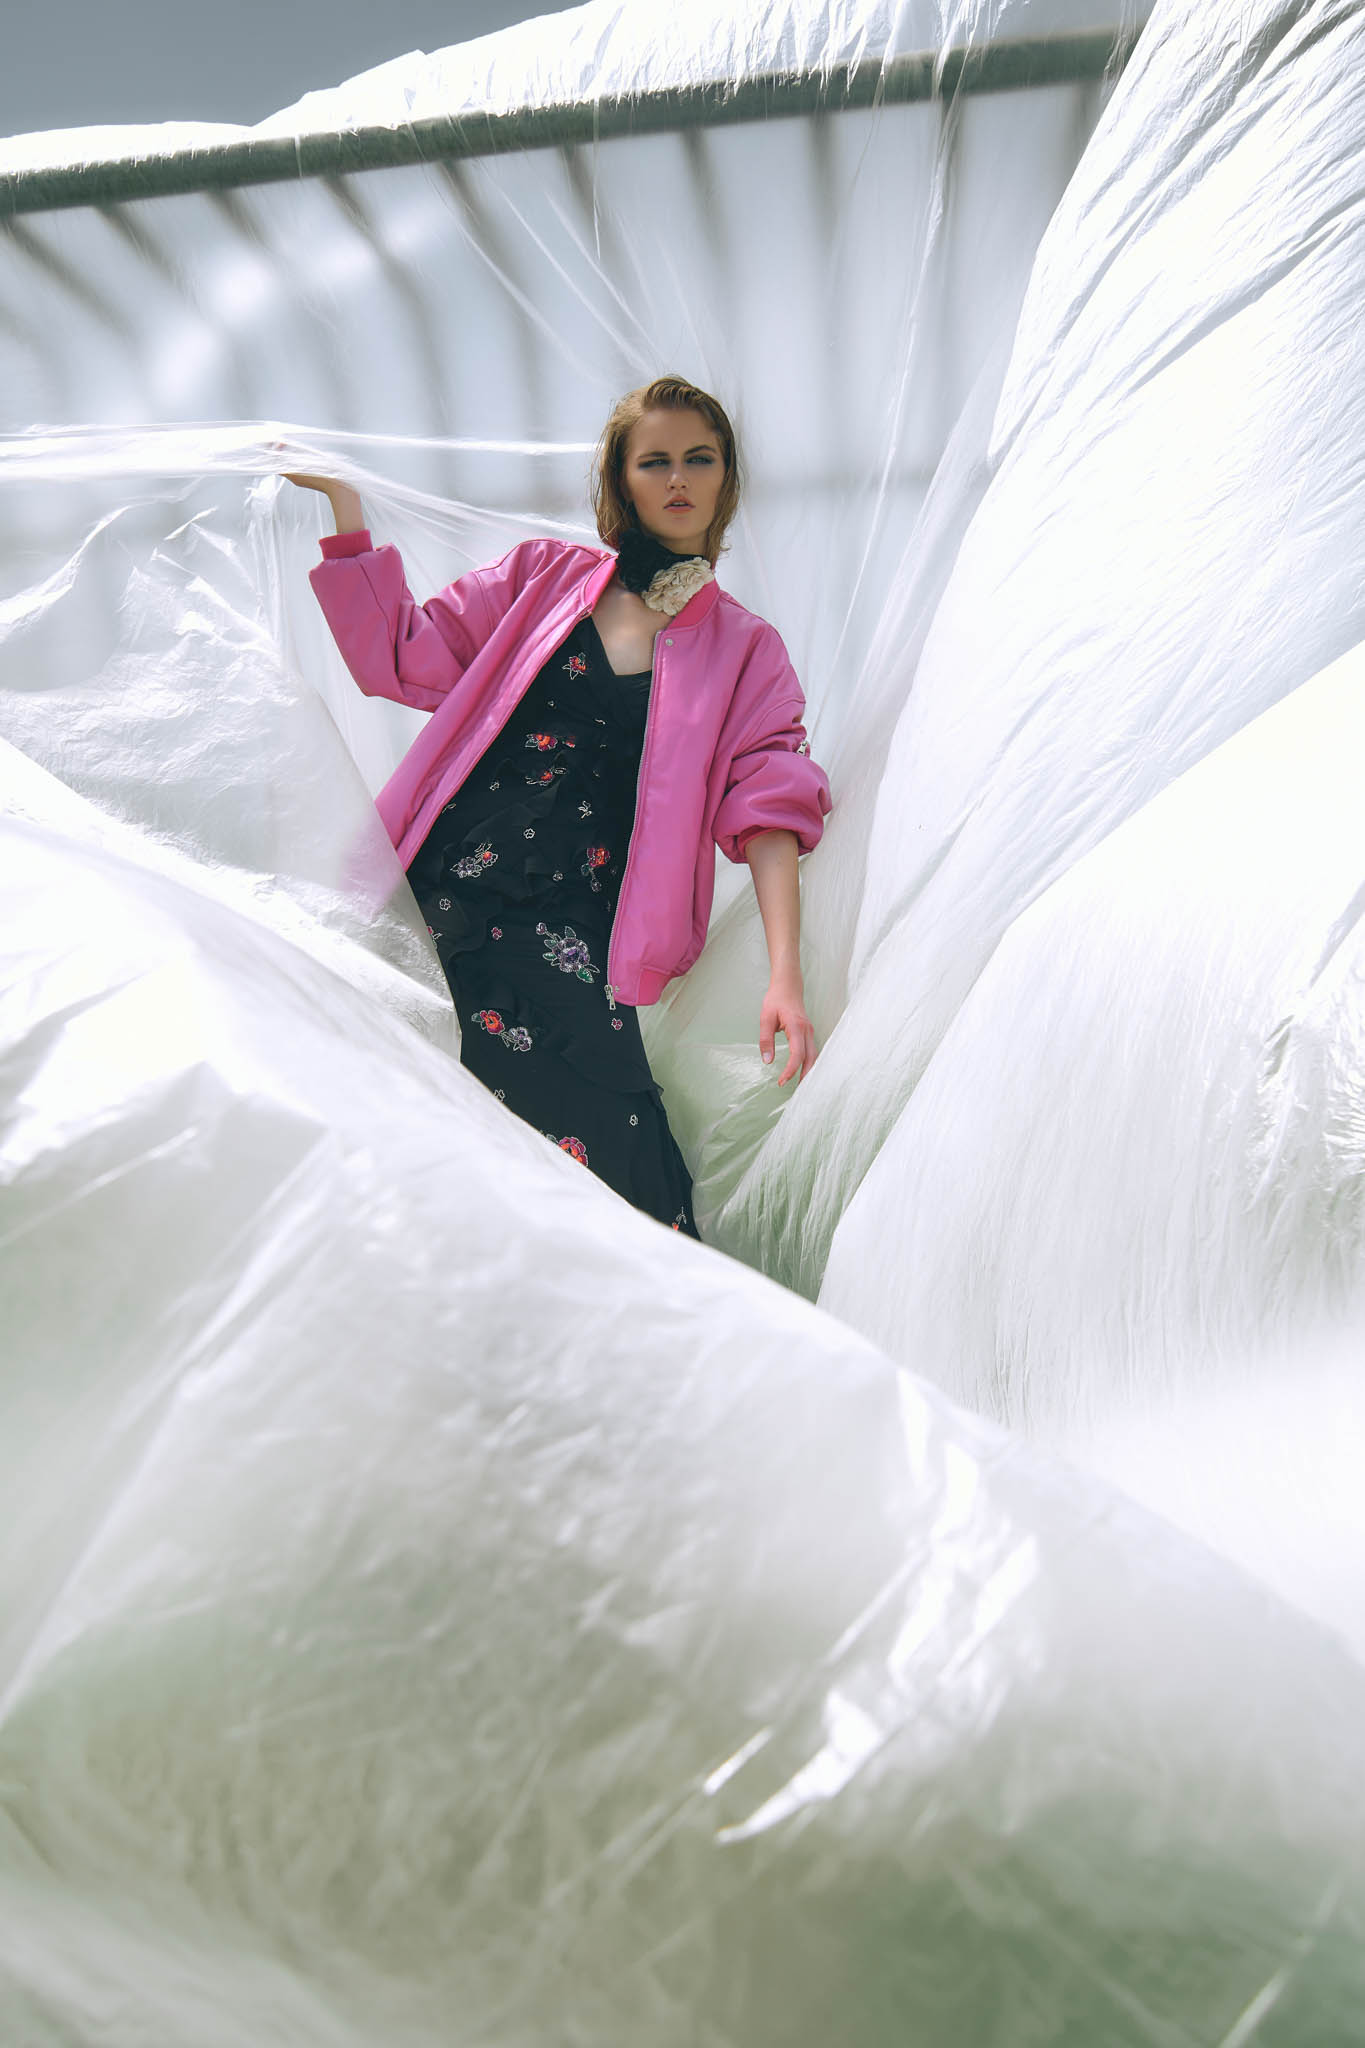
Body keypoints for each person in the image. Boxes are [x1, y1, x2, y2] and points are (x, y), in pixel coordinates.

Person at [286, 374, 831, 1237]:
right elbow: (401, 657)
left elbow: (768, 812)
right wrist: (345, 515)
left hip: (573, 932)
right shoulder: (541, 578)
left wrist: (784, 974)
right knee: (427, 1142)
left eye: (699, 459)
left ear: (726, 477)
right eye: (653, 461)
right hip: (440, 897)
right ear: (621, 481)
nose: (678, 478)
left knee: (625, 1163)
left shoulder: (745, 650)